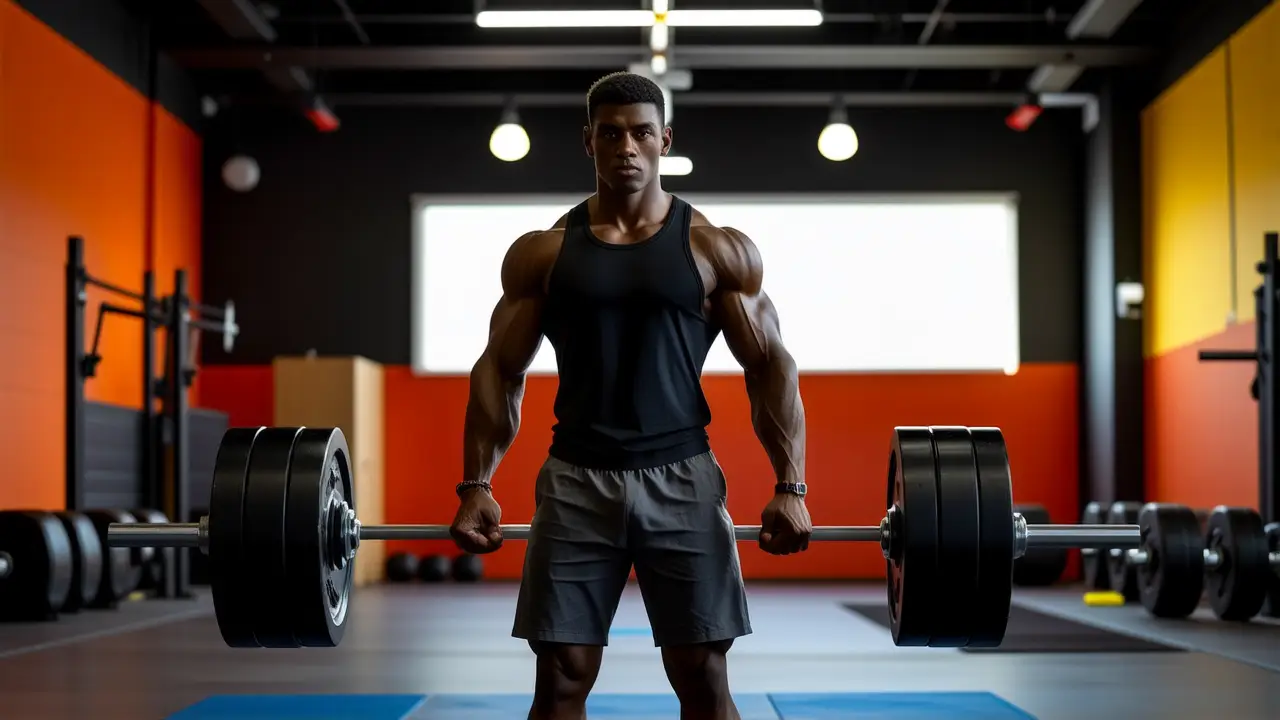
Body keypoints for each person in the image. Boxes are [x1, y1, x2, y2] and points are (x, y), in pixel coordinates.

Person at [448, 71, 812, 720]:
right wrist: (476, 483)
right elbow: (499, 369)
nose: (627, 147)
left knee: (702, 674)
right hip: (574, 481)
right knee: (560, 677)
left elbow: (770, 366)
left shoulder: (715, 248)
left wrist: (792, 487)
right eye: (610, 134)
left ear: (664, 140)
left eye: (642, 133)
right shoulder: (543, 254)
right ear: (587, 142)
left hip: (685, 480)